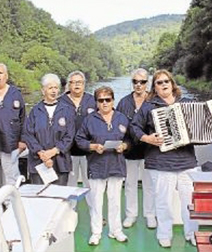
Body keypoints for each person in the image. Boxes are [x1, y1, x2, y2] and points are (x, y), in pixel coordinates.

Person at [131, 69, 199, 248]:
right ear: (154, 87)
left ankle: (192, 233)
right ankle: (164, 234)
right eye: (159, 82)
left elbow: (203, 124)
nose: (163, 85)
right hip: (160, 162)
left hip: (186, 161)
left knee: (190, 202)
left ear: (172, 83)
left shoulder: (187, 103)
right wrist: (147, 138)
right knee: (163, 202)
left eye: (166, 81)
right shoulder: (148, 106)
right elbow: (134, 127)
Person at [75, 86, 130, 246]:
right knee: (96, 201)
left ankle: (116, 230)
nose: (105, 103)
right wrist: (93, 147)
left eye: (108, 99)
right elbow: (79, 140)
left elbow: (130, 139)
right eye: (101, 100)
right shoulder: (89, 119)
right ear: (96, 102)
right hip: (97, 166)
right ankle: (96, 232)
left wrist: (124, 146)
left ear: (113, 101)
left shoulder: (122, 118)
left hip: (116, 165)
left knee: (115, 201)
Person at [116, 68, 156, 229]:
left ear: (148, 83)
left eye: (142, 82)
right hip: (129, 150)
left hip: (150, 150)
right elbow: (117, 126)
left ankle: (150, 215)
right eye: (135, 82)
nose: (139, 85)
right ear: (131, 82)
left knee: (149, 184)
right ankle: (131, 215)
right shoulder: (124, 102)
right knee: (130, 184)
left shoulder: (154, 101)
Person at [23, 73, 76, 185]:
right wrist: (42, 154)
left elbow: (69, 136)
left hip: (60, 162)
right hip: (39, 162)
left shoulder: (67, 111)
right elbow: (28, 134)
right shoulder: (35, 111)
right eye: (50, 88)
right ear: (43, 91)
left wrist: (53, 152)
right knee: (40, 197)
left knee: (59, 198)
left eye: (56, 88)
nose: (53, 91)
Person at [59, 71, 96, 188]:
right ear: (68, 85)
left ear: (84, 84)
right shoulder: (60, 101)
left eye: (79, 82)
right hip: (68, 151)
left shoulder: (93, 100)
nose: (76, 85)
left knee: (90, 184)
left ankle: (93, 207)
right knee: (70, 184)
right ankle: (71, 207)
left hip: (89, 150)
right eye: (73, 82)